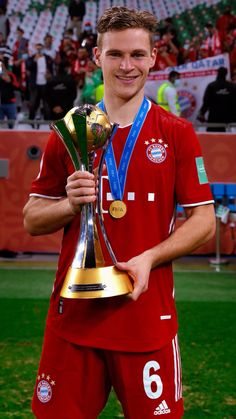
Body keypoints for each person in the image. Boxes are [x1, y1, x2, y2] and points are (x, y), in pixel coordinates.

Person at [23, 6, 215, 418]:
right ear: (97, 57)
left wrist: (150, 257)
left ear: (153, 57)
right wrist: (68, 205)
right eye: (115, 55)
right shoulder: (71, 131)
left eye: (137, 55)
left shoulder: (177, 134)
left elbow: (203, 219)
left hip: (146, 317)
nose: (127, 66)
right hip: (74, 319)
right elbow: (31, 219)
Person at [197, 66, 236, 131]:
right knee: (228, 139)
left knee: (213, 138)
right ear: (226, 74)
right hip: (228, 119)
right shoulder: (232, 87)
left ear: (218, 73)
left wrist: (202, 113)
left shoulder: (211, 86)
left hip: (214, 118)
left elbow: (206, 102)